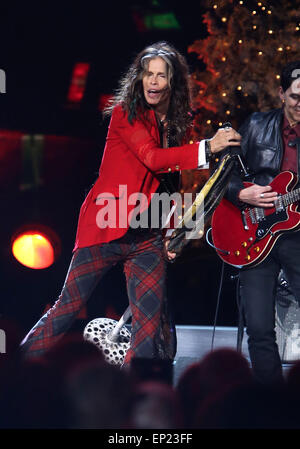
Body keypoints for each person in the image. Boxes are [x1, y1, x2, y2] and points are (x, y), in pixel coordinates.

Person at [20, 41, 240, 367]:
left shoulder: (176, 127)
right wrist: (208, 146)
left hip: (146, 238)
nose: (152, 81)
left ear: (172, 82)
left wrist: (174, 235)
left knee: (148, 329)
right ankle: (16, 366)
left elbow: (169, 185)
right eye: (147, 74)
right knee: (68, 305)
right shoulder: (127, 113)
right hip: (107, 224)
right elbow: (153, 159)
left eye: (160, 76)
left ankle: (135, 396)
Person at [225, 60, 300, 384]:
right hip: (254, 233)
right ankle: (271, 402)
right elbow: (221, 178)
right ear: (282, 94)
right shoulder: (256, 125)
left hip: (297, 237)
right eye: (296, 96)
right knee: (258, 327)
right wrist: (243, 193)